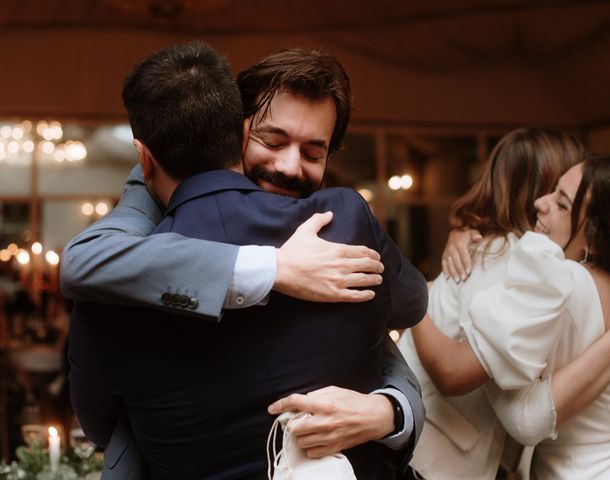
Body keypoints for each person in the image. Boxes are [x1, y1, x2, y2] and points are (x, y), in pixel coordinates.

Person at [68, 42, 427, 479]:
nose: (290, 167)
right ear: (233, 130)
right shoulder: (116, 274)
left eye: (314, 152)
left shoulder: (341, 229)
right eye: (272, 140)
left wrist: (388, 410)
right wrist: (275, 268)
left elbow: (98, 420)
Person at [409, 154, 610, 478]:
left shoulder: (570, 285)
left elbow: (524, 419)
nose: (540, 202)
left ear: (599, 232)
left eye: (562, 204)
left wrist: (422, 293)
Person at [397, 128, 581, 478]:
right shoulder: (507, 257)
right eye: (560, 190)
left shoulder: (502, 251)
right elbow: (456, 372)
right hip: (431, 458)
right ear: (538, 189)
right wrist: (416, 292)